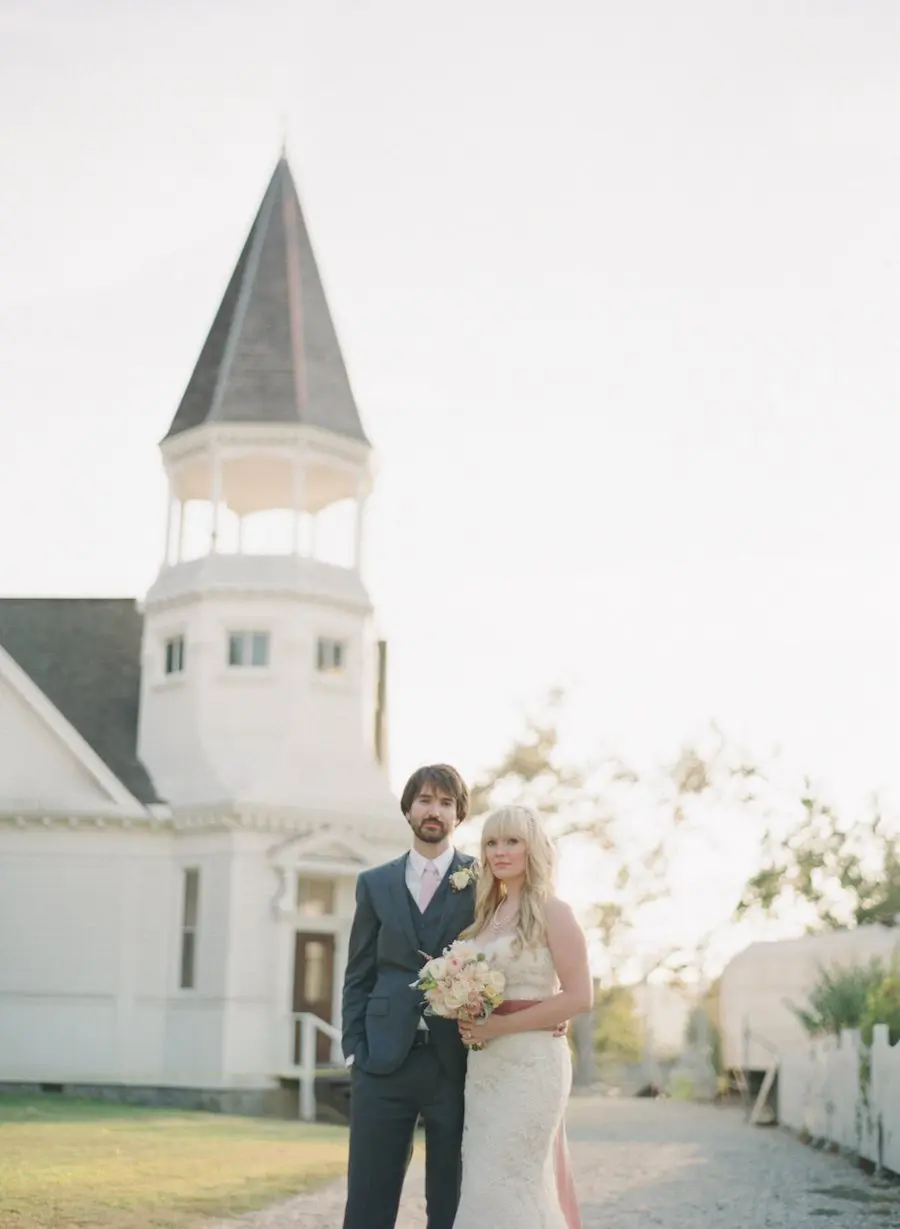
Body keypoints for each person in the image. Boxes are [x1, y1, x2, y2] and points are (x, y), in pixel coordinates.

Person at [341, 764, 477, 1229]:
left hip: (455, 1062)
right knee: (368, 1197)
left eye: (445, 802)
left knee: (451, 1199)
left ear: (458, 814)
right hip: (381, 1060)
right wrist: (353, 1048)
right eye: (425, 800)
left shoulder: (481, 882)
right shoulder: (374, 883)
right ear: (408, 809)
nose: (433, 810)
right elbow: (358, 971)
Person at [452, 805, 593, 1229]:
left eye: (512, 841)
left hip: (533, 1066)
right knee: (481, 1180)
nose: (500, 851)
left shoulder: (555, 911)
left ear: (533, 848)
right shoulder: (484, 920)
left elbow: (580, 997)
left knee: (514, 1180)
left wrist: (503, 1025)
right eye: (491, 842)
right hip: (485, 1067)